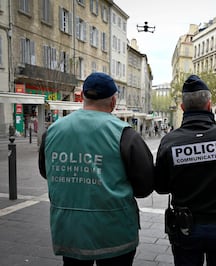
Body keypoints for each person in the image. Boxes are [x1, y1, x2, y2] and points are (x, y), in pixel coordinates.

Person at [38, 72, 155, 266]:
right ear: (113, 101)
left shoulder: (53, 131)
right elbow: (145, 187)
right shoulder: (124, 134)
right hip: (113, 232)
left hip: (69, 230)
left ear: (83, 97)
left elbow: (45, 172)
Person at [155, 75, 216, 266]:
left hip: (186, 227)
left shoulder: (170, 141)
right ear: (209, 105)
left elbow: (160, 187)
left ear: (182, 108)